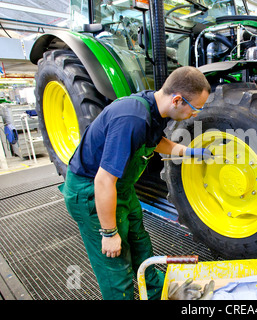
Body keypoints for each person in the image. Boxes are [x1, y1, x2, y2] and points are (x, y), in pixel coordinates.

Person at [59, 66, 211, 300]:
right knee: (116, 265)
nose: (196, 114)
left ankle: (155, 292)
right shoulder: (131, 118)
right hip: (91, 192)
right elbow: (103, 180)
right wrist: (109, 233)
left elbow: (155, 141)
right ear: (178, 100)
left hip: (121, 188)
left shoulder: (154, 108)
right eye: (195, 109)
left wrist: (190, 152)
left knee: (140, 244)